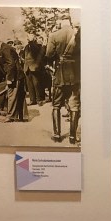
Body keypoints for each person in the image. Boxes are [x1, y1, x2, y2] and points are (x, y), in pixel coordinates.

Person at [45, 13, 80, 144]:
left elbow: (48, 54)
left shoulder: (54, 35)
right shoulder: (78, 34)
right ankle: (72, 137)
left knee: (56, 105)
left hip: (60, 74)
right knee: (74, 106)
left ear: (60, 21)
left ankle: (57, 135)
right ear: (69, 21)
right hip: (76, 74)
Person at [0, 39, 27, 122]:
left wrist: (10, 78)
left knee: (12, 95)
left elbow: (11, 63)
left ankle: (10, 116)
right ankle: (20, 116)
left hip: (15, 76)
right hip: (18, 75)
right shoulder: (7, 48)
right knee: (19, 96)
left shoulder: (5, 48)